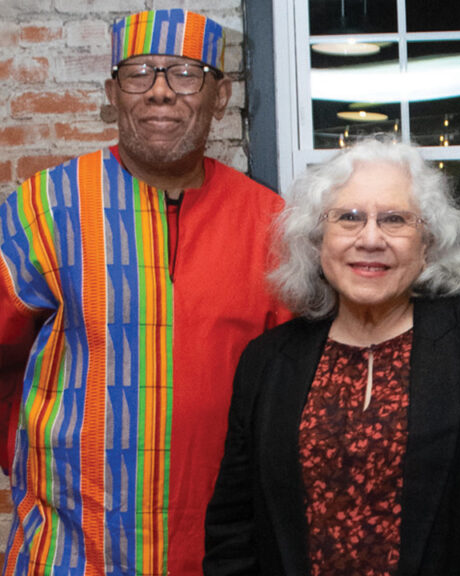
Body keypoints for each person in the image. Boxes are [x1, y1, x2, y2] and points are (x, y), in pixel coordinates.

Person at [0, 9, 288, 575]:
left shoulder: (270, 223)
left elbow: (293, 392)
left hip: (220, 553)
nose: (160, 93)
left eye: (185, 73)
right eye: (138, 74)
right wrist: (35, 453)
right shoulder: (43, 208)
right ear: (113, 92)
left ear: (219, 95)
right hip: (69, 551)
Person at [203, 138, 460, 576]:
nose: (370, 239)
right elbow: (233, 532)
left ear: (427, 243)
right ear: (317, 241)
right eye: (349, 218)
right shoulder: (268, 362)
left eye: (394, 220)